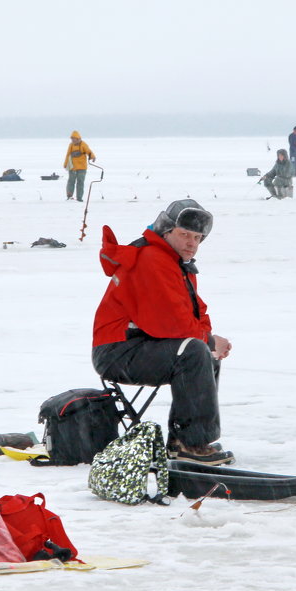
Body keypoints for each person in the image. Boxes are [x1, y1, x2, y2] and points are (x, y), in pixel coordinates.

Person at [91, 199, 234, 465]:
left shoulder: (174, 262)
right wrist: (209, 340)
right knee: (194, 351)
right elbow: (168, 323)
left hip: (139, 345)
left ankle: (186, 440)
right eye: (184, 235)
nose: (192, 243)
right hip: (117, 351)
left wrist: (209, 341)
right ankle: (190, 443)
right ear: (166, 231)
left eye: (197, 238)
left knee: (202, 351)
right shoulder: (153, 259)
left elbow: (196, 312)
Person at [63, 130, 96, 201]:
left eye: (73, 139)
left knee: (80, 182)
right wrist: (65, 164)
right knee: (71, 181)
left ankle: (79, 198)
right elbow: (68, 154)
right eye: (71, 139)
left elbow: (89, 152)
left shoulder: (83, 144)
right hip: (72, 167)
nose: (72, 140)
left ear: (77, 138)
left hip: (82, 167)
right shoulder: (71, 145)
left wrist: (93, 157)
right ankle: (69, 195)